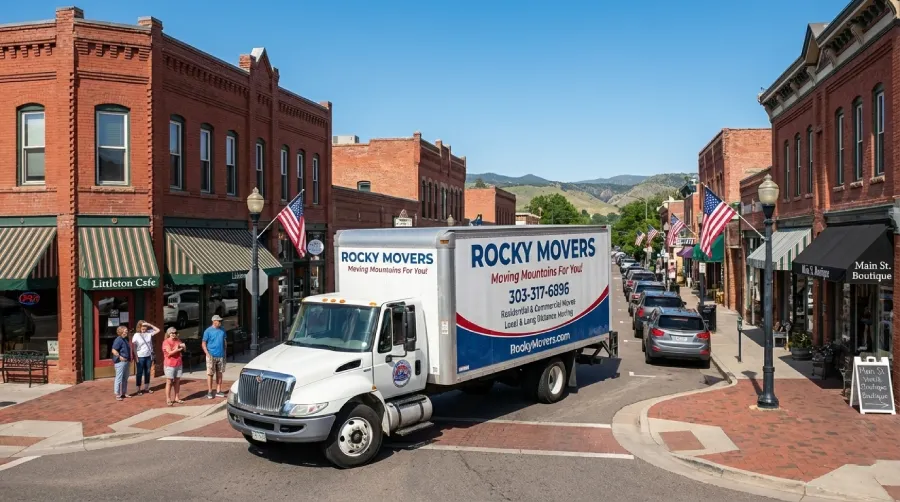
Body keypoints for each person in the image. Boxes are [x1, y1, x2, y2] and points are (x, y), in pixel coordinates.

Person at [131, 320, 160, 395]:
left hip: (148, 356)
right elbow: (134, 347)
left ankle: (146, 387)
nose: (144, 330)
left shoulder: (149, 333)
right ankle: (138, 389)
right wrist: (136, 357)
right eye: (142, 328)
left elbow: (158, 330)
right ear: (139, 327)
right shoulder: (136, 335)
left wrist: (149, 324)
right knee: (139, 373)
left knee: (147, 372)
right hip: (140, 356)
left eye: (145, 328)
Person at [202, 315, 227, 399]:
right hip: (211, 355)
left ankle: (218, 390)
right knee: (210, 374)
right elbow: (203, 343)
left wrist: (225, 351)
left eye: (220, 321)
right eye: (218, 321)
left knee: (220, 373)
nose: (220, 322)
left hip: (221, 355)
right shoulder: (208, 331)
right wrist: (207, 353)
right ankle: (209, 391)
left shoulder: (222, 330)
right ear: (214, 321)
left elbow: (224, 341)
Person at [162, 327, 186, 406]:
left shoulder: (178, 340)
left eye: (175, 333)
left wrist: (184, 346)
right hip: (169, 364)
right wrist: (177, 349)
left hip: (178, 363)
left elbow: (184, 350)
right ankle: (168, 399)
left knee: (177, 381)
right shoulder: (166, 342)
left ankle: (177, 397)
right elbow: (169, 353)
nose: (173, 334)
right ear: (169, 334)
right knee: (169, 382)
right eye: (172, 333)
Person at [110, 326, 132, 401]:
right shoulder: (118, 340)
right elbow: (113, 350)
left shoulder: (125, 339)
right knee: (119, 378)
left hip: (126, 361)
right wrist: (119, 356)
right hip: (120, 362)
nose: (127, 331)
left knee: (125, 378)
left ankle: (124, 392)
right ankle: (117, 394)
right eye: (125, 330)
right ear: (121, 331)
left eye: (127, 330)